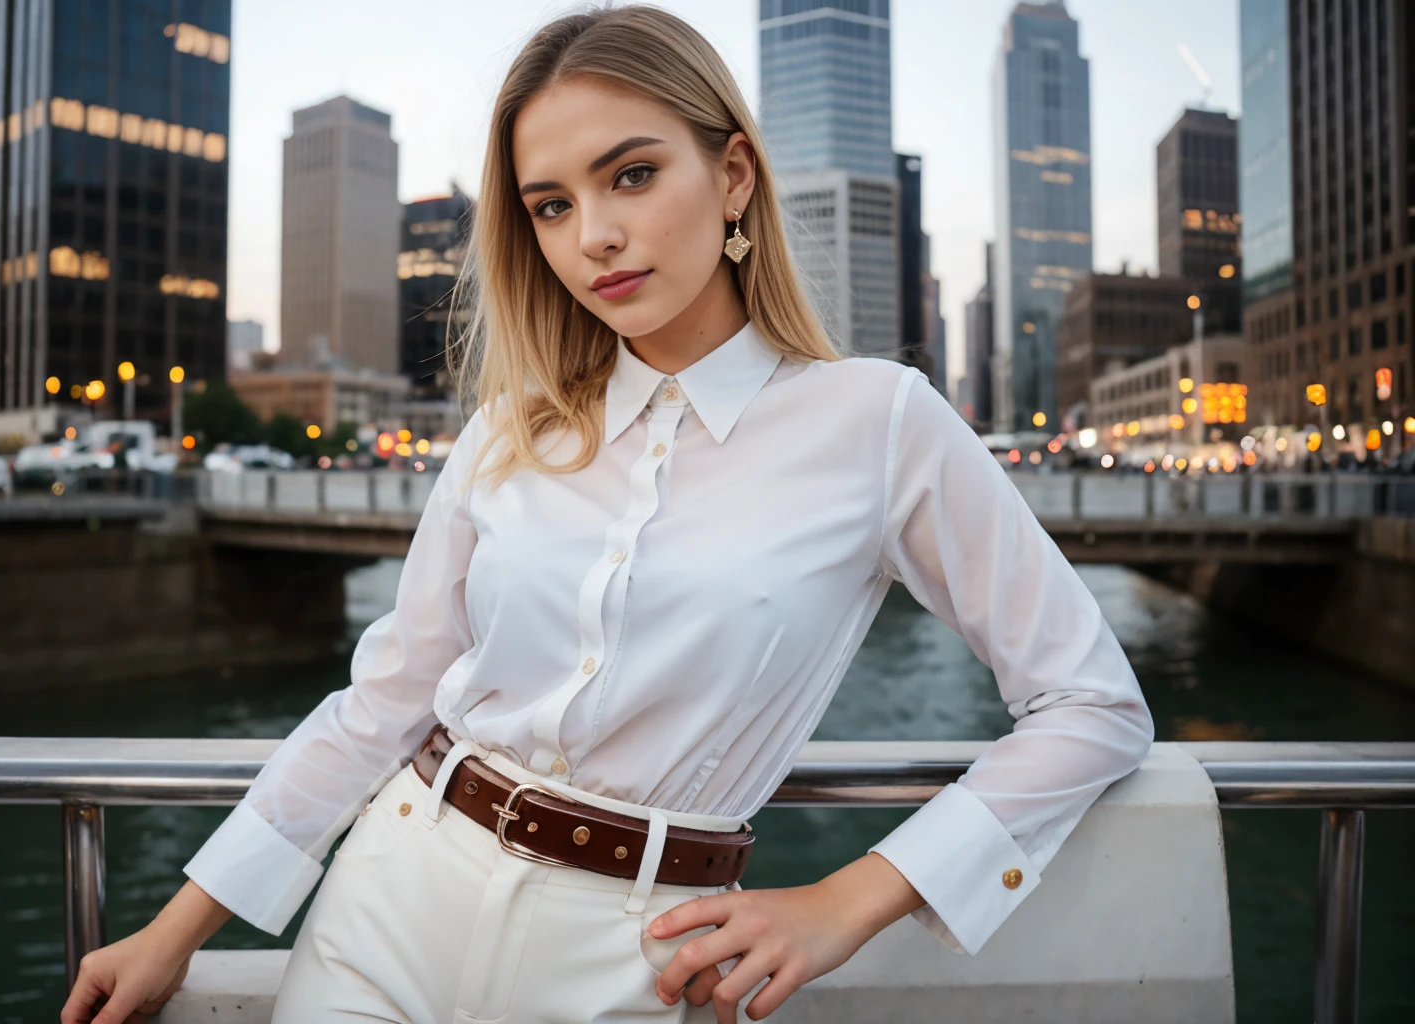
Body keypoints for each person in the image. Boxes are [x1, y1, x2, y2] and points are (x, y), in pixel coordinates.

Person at [60, 6, 1154, 1023]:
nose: (593, 235)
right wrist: (179, 925)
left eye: (630, 175)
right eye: (551, 205)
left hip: (635, 949)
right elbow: (384, 700)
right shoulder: (509, 429)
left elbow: (1091, 704)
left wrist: (848, 898)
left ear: (733, 176)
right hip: (389, 899)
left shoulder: (878, 421)